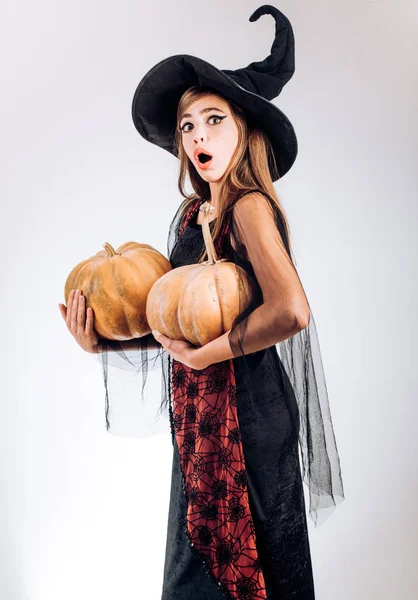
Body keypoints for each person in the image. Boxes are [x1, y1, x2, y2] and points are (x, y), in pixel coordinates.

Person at [59, 6, 344, 599]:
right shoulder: (192, 216)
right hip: (202, 426)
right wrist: (106, 339)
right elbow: (183, 326)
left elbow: (291, 311)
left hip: (248, 422)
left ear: (245, 129)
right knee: (198, 570)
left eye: (213, 120)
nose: (196, 137)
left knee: (243, 576)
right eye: (187, 126)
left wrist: (209, 355)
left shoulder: (248, 206)